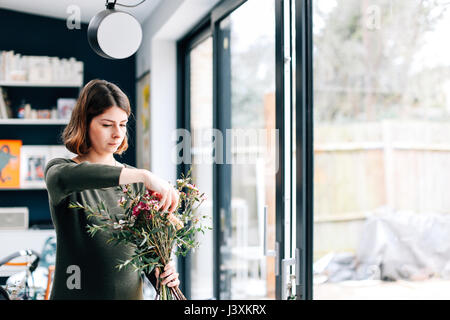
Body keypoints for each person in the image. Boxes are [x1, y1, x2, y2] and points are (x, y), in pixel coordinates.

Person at [44, 79, 180, 300]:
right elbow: (70, 176)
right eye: (107, 125)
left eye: (123, 124)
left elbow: (141, 252)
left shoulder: (136, 182)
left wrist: (160, 273)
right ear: (84, 124)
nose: (118, 134)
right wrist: (145, 176)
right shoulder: (61, 171)